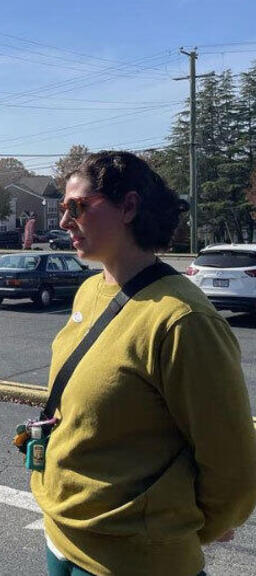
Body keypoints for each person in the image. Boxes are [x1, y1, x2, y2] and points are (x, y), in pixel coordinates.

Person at [31, 151, 256, 576]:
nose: (63, 223)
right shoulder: (89, 291)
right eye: (62, 209)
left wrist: (170, 530)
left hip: (137, 559)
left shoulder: (183, 320)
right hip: (61, 536)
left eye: (76, 207)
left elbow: (233, 469)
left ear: (129, 207)